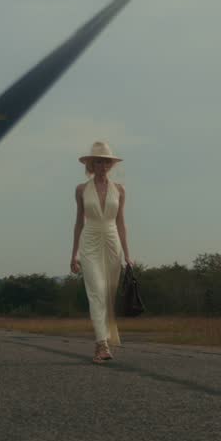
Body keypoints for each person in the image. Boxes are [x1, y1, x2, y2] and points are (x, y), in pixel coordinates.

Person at [70, 141, 134, 364]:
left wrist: (128, 255)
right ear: (91, 164)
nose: (102, 165)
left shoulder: (120, 190)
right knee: (96, 290)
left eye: (106, 161)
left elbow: (122, 223)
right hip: (89, 241)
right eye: (98, 161)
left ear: (110, 165)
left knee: (108, 294)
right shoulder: (81, 189)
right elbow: (78, 222)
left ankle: (105, 338)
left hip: (112, 241)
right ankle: (101, 345)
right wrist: (73, 254)